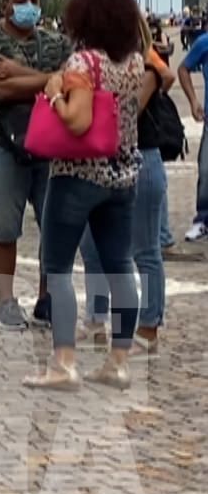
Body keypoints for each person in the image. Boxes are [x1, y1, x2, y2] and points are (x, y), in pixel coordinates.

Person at [24, 0, 146, 391]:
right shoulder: (134, 62)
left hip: (78, 174)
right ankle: (119, 361)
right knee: (120, 266)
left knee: (58, 268)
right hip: (122, 174)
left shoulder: (83, 62)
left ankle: (64, 363)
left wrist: (54, 95)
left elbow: (77, 121)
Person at [0, 0, 70, 330]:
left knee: (55, 225)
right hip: (3, 143)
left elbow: (73, 80)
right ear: (5, 6)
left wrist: (19, 74)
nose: (29, 6)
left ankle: (47, 298)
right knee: (4, 225)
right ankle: (5, 300)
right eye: (20, 0)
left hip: (52, 145)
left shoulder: (57, 43)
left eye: (34, 0)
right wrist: (50, 79)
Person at [80, 26, 170, 349]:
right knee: (91, 246)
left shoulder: (146, 69)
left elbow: (126, 115)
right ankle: (96, 317)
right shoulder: (92, 67)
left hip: (139, 158)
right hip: (97, 161)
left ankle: (148, 325)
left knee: (145, 249)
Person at [179, 29, 208, 244]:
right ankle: (203, 219)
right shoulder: (204, 43)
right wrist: (193, 101)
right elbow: (183, 68)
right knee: (206, 171)